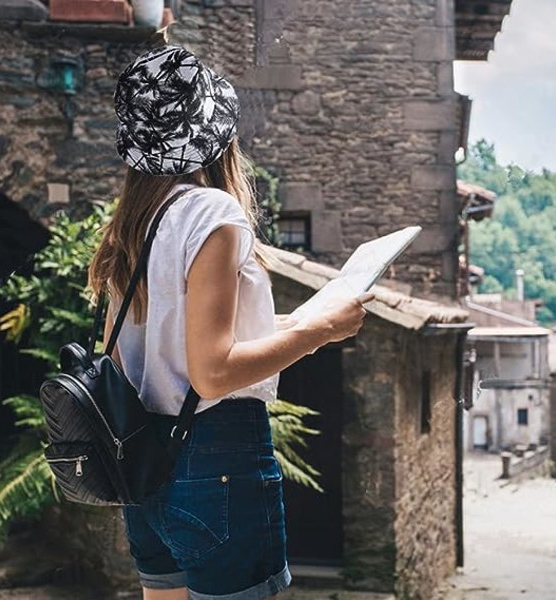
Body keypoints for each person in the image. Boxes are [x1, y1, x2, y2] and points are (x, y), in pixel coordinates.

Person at [88, 45, 372, 600]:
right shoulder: (212, 213)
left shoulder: (133, 224)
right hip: (216, 458)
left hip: (146, 468)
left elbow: (125, 360)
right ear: (214, 133)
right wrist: (319, 332)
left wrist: (301, 322)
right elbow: (212, 373)